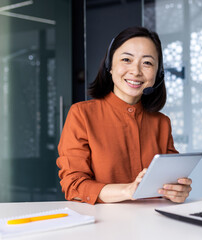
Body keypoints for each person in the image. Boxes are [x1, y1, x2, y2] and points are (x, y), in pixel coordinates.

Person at [56, 27, 192, 205]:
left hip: (153, 224)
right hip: (102, 226)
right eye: (126, 59)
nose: (136, 71)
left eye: (147, 63)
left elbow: (168, 182)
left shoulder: (162, 123)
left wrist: (176, 191)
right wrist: (128, 190)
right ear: (109, 66)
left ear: (158, 74)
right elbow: (73, 186)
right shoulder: (81, 114)